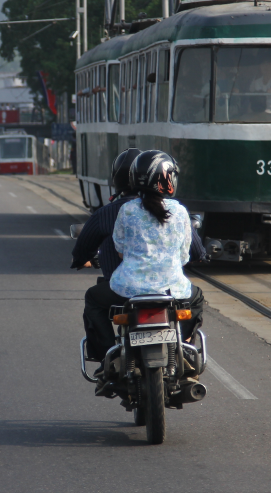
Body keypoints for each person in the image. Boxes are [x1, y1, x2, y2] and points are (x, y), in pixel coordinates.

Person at [72, 149, 206, 361]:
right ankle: (185, 347)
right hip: (172, 289)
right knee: (197, 298)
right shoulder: (180, 211)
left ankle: (107, 355)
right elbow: (184, 256)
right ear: (169, 179)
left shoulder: (127, 210)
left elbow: (120, 248)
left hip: (128, 289)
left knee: (93, 298)